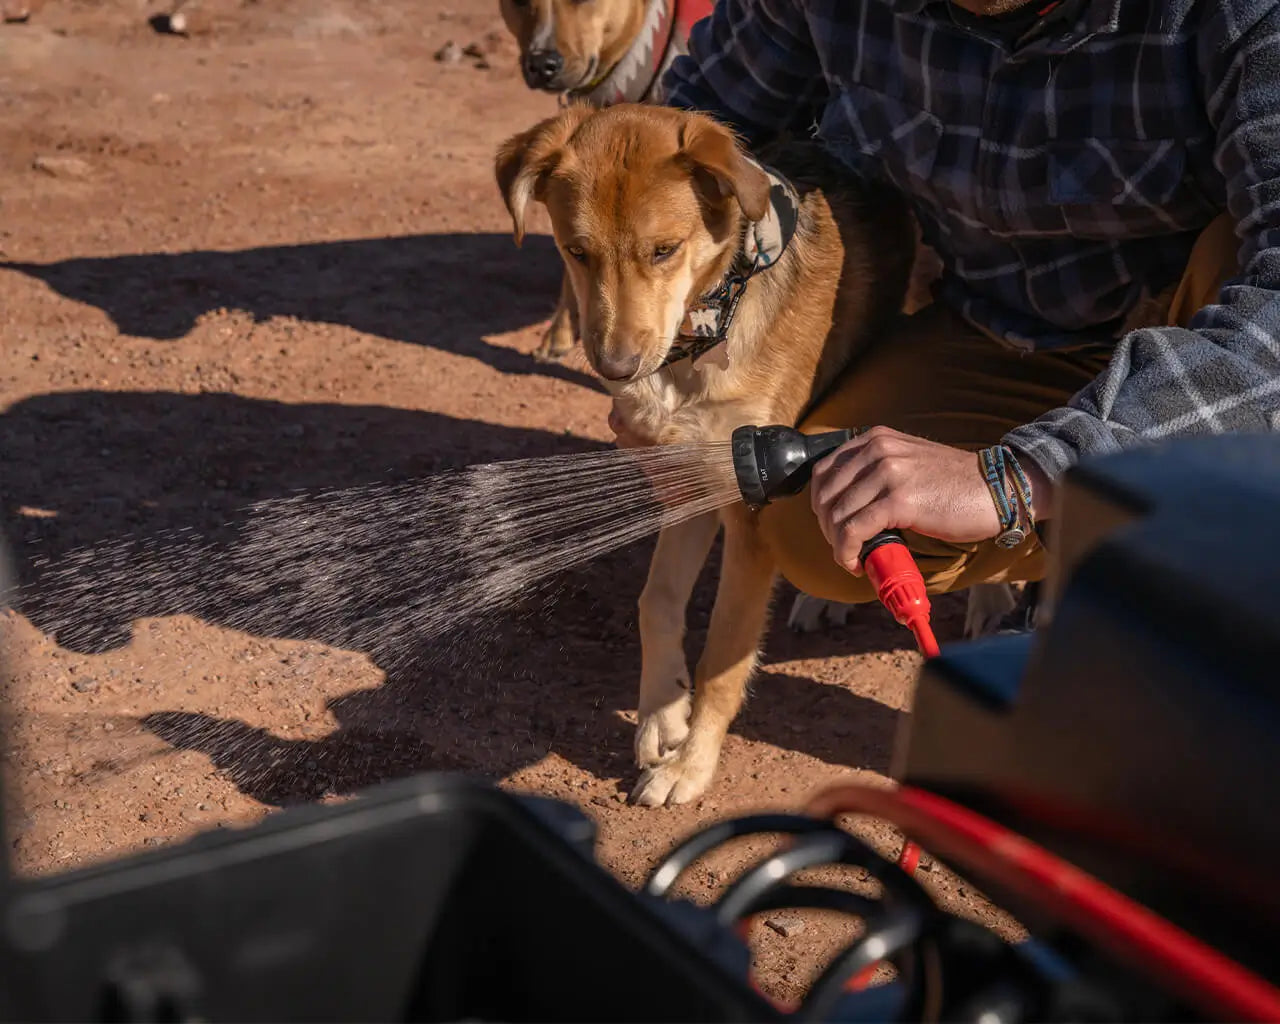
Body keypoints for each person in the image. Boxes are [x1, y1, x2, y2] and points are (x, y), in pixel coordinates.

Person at [611, 0, 1280, 610]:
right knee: (820, 522)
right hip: (998, 324)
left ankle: (1150, 555)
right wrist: (667, 349)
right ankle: (1084, 526)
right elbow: (694, 128)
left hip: (1193, 342)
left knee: (1232, 272)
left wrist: (1018, 478)